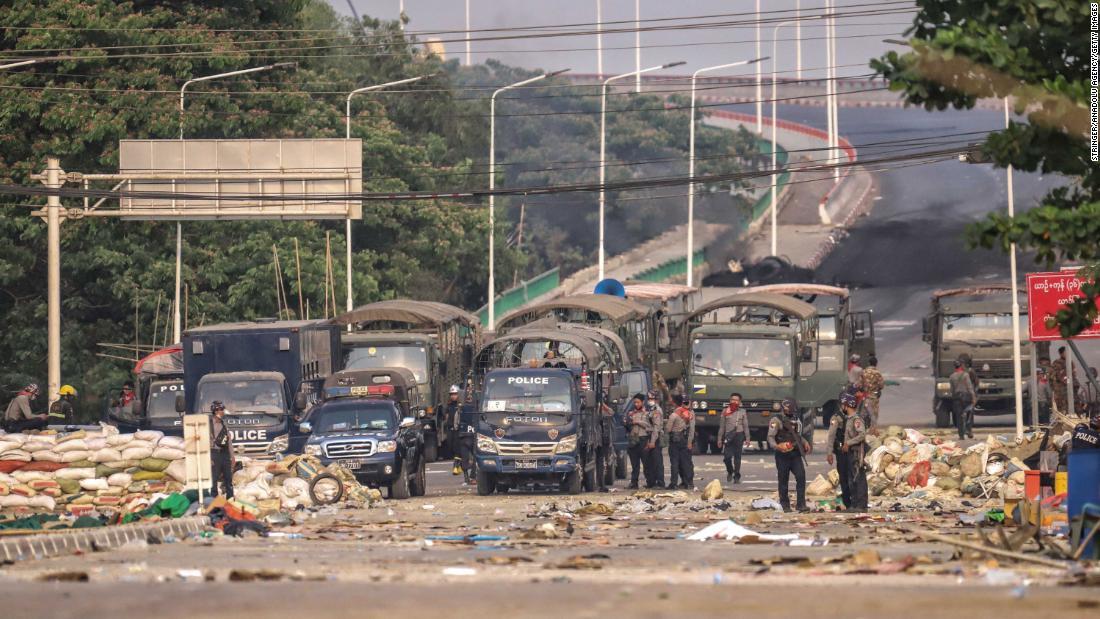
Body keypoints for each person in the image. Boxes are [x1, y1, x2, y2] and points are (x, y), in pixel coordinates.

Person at [768, 397, 811, 512]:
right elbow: (770, 437)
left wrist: (805, 442)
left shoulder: (796, 419)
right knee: (783, 479)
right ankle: (785, 504)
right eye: (789, 409)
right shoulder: (776, 420)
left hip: (795, 453)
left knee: (801, 476)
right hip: (782, 455)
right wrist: (778, 446)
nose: (791, 412)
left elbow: (797, 435)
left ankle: (801, 504)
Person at [839, 391, 869, 512]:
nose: (842, 407)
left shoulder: (856, 420)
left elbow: (862, 435)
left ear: (847, 405)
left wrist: (849, 443)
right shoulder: (849, 419)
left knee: (859, 478)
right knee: (852, 479)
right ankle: (855, 504)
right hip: (850, 453)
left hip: (856, 453)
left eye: (843, 405)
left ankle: (861, 505)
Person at [624, 393, 658, 489]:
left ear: (643, 402)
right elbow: (627, 427)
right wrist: (627, 423)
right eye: (635, 402)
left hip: (643, 440)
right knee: (635, 465)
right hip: (633, 440)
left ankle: (650, 482)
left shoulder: (648, 413)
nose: (636, 404)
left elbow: (650, 426)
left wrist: (638, 422)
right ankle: (634, 483)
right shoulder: (630, 413)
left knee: (646, 463)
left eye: (638, 402)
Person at [825, 401, 852, 510]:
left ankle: (854, 502)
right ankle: (847, 502)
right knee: (844, 477)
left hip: (852, 450)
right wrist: (829, 453)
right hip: (841, 451)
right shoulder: (836, 418)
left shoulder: (853, 416)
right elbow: (831, 436)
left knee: (853, 477)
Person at [717, 393, 749, 483]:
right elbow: (722, 427)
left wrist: (747, 438)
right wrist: (719, 439)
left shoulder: (742, 412)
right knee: (727, 457)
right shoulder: (725, 411)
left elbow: (745, 426)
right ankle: (730, 471)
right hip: (728, 436)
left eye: (736, 400)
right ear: (730, 401)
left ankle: (737, 476)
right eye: (732, 399)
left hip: (739, 435)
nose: (734, 401)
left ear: (739, 402)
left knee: (737, 457)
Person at [665, 395, 696, 490]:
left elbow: (668, 429)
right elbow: (692, 429)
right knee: (686, 462)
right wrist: (690, 442)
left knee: (674, 462)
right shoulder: (691, 413)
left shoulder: (674, 414)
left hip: (675, 440)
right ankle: (688, 483)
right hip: (685, 440)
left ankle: (673, 483)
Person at [209, 401, 235, 499]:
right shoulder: (208, 425)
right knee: (214, 479)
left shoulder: (224, 424)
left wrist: (232, 457)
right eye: (221, 410)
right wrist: (209, 458)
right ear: (216, 411)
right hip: (214, 454)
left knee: (228, 478)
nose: (223, 412)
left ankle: (230, 498)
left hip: (225, 454)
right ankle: (213, 499)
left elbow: (229, 441)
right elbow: (205, 442)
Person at [949, 359, 977, 439]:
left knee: (959, 416)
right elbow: (969, 387)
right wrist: (973, 397)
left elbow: (952, 390)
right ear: (961, 366)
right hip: (966, 398)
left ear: (954, 367)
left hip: (957, 398)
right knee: (969, 414)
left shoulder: (951, 376)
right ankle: (969, 431)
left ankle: (961, 435)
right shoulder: (965, 375)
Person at [454, 390, 477, 485]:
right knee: (476, 457)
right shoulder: (477, 409)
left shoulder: (459, 410)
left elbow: (456, 425)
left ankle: (466, 477)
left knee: (464, 458)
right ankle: (473, 477)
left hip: (463, 436)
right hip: (474, 436)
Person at [646, 389, 667, 489]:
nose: (649, 400)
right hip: (650, 436)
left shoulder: (657, 411)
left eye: (651, 398)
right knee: (651, 461)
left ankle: (660, 482)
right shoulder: (651, 409)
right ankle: (652, 482)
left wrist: (653, 441)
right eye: (648, 398)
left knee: (657, 461)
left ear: (656, 399)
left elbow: (656, 427)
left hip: (656, 436)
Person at [859, 355, 884, 430]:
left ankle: (861, 430)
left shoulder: (863, 372)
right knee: (873, 415)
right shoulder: (877, 373)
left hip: (864, 396)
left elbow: (860, 385)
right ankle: (873, 430)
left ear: (869, 363)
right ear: (876, 363)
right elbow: (881, 385)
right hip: (873, 397)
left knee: (862, 414)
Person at [443, 385, 463, 476]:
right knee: (450, 446)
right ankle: (460, 464)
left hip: (458, 429)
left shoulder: (461, 405)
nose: (453, 396)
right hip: (450, 429)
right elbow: (446, 417)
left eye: (455, 394)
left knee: (456, 447)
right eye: (451, 394)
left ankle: (456, 466)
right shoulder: (448, 405)